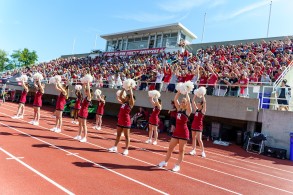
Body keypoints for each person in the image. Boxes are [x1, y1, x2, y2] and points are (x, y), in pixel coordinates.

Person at [158, 91, 192, 172]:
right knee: (170, 148)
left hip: (184, 133)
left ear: (187, 103)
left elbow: (189, 104)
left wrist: (187, 93)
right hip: (176, 132)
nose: (182, 103)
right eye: (182, 101)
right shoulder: (179, 109)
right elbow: (175, 99)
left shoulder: (188, 111)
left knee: (181, 150)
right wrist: (179, 91)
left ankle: (177, 165)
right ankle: (165, 161)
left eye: (184, 102)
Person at [108, 88, 135, 156]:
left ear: (129, 99)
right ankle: (115, 147)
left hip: (126, 121)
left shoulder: (131, 104)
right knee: (118, 135)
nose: (125, 97)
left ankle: (126, 149)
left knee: (126, 136)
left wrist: (130, 89)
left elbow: (131, 96)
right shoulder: (124, 102)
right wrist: (123, 88)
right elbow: (120, 96)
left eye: (126, 97)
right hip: (120, 120)